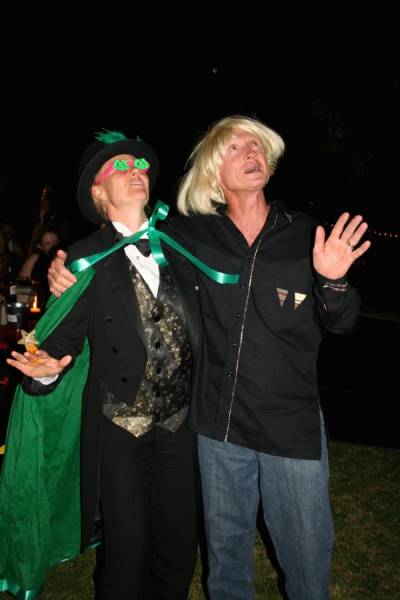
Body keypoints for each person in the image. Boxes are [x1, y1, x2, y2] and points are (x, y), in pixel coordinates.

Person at [48, 115, 371, 600]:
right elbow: (121, 242)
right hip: (219, 429)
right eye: (235, 148)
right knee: (225, 566)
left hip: (289, 425)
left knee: (306, 563)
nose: (251, 153)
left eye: (257, 146)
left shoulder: (305, 234)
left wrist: (334, 281)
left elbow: (342, 321)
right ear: (213, 173)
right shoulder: (190, 237)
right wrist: (63, 267)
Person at [5, 130, 202, 600]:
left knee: (178, 547)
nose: (135, 172)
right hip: (120, 429)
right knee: (126, 553)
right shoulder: (82, 258)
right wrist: (47, 369)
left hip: (182, 423)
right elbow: (61, 339)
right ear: (98, 191)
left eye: (140, 166)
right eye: (121, 167)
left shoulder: (183, 244)